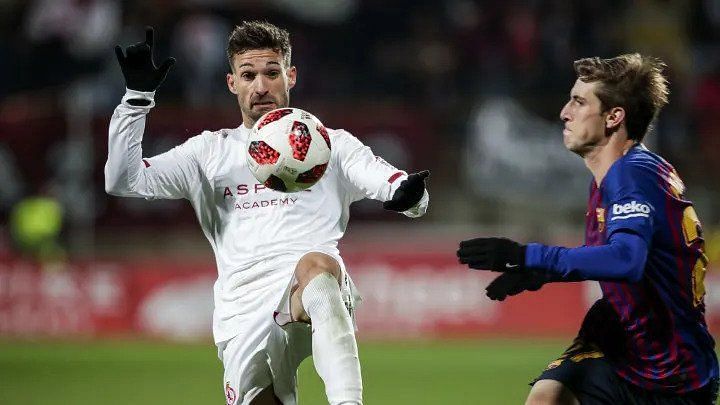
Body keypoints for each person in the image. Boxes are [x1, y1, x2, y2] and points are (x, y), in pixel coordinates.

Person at [106, 22, 429, 405]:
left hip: (306, 291)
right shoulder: (209, 153)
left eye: (271, 73)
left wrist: (409, 195)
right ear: (232, 83)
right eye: (249, 75)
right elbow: (123, 180)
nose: (260, 86)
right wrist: (136, 99)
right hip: (241, 312)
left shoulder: (329, 144)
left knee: (319, 269)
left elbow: (395, 184)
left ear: (290, 75)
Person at [457, 54, 718, 404]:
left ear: (614, 117)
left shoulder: (631, 174)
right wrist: (538, 272)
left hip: (670, 376)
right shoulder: (614, 177)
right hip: (624, 346)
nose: (565, 112)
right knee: (547, 396)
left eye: (579, 102)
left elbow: (627, 259)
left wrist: (529, 255)